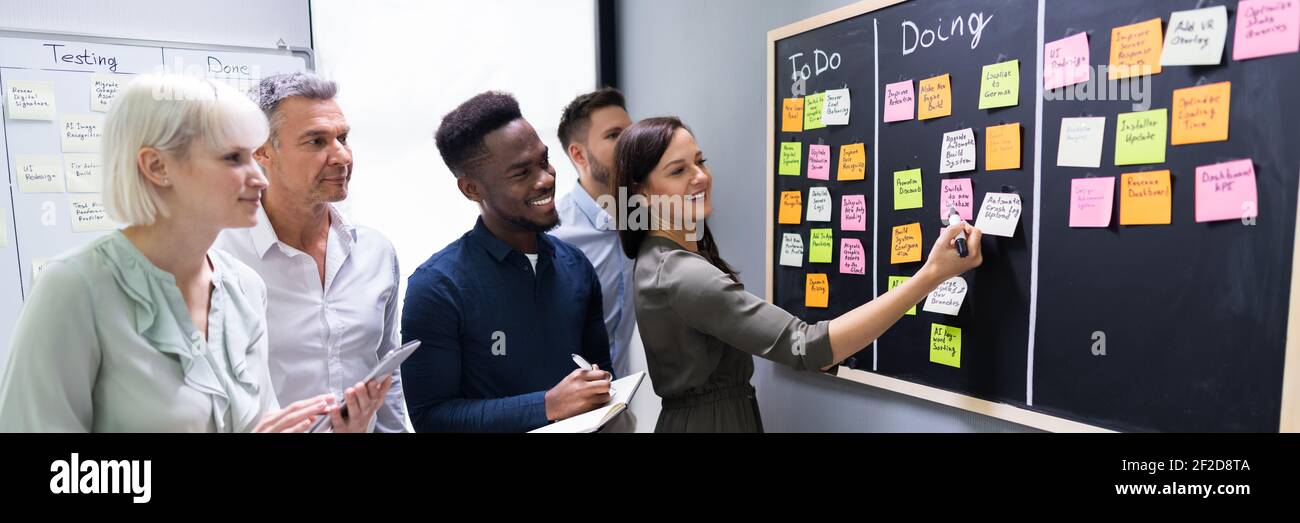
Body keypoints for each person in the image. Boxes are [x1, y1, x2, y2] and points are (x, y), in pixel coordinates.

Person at [0, 74, 386, 432]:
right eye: (233, 159)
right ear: (156, 166)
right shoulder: (74, 289)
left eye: (253, 156)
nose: (257, 176)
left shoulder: (243, 288)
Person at [614, 117, 984, 432]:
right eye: (678, 171)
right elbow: (807, 347)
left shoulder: (657, 256)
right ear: (642, 193)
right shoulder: (681, 274)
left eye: (700, 161)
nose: (700, 176)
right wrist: (931, 275)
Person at [401, 91, 613, 432]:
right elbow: (432, 418)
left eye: (544, 161)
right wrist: (547, 406)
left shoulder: (576, 266)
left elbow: (602, 376)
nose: (545, 179)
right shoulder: (437, 287)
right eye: (521, 173)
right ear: (471, 189)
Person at [214, 72, 406, 432]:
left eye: (343, 138)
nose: (342, 156)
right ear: (262, 151)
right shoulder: (219, 262)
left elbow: (386, 375)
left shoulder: (375, 252)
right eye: (317, 141)